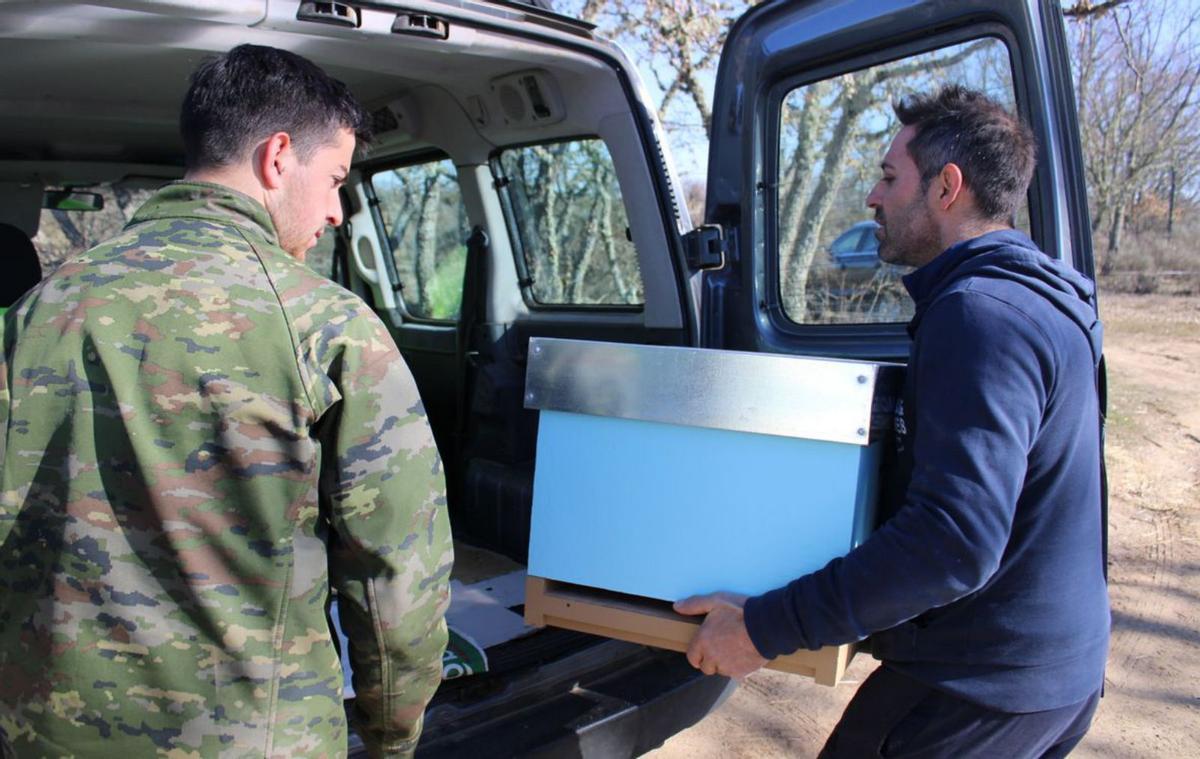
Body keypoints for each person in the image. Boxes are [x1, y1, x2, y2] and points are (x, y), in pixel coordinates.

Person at [0, 45, 452, 758]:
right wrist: (391, 734)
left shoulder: (35, 311)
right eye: (335, 179)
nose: (336, 211)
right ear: (278, 158)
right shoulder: (330, 329)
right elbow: (395, 579)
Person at [675, 86, 1108, 758]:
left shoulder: (980, 315)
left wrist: (764, 627)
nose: (873, 198)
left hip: (977, 687)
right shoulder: (1043, 301)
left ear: (948, 187)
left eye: (887, 177)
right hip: (1053, 676)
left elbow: (953, 541)